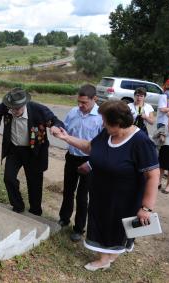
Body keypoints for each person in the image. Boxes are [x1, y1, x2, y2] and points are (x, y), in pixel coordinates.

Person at [54, 100, 159, 271]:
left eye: (104, 120)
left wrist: (146, 208)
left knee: (116, 228)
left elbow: (153, 175)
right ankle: (108, 255)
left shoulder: (141, 142)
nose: (102, 124)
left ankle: (104, 259)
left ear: (118, 123)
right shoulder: (107, 134)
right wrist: (66, 137)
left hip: (125, 199)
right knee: (101, 223)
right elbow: (90, 148)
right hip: (101, 193)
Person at [0, 88, 64, 216]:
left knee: (34, 183)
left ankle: (35, 211)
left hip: (34, 151)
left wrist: (55, 127)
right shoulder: (7, 107)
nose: (13, 111)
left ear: (24, 104)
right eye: (11, 108)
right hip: (14, 149)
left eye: (16, 109)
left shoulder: (38, 110)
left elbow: (56, 121)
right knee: (9, 178)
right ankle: (18, 206)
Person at [58, 84, 102, 242]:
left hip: (89, 162)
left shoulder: (101, 117)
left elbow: (102, 145)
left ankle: (79, 228)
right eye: (79, 102)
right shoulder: (73, 112)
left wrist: (91, 163)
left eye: (84, 103)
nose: (80, 105)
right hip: (72, 157)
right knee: (68, 191)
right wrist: (58, 129)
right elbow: (65, 128)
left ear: (94, 99)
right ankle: (64, 218)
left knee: (83, 196)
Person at [158, 102, 169, 194]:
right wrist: (162, 134)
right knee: (161, 165)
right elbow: (165, 128)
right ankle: (159, 182)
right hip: (165, 143)